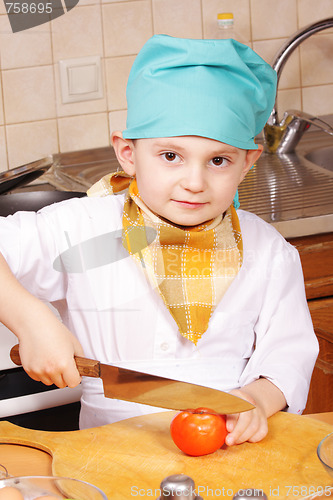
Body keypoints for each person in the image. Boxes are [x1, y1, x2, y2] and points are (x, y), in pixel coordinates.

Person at [0, 35, 318, 445]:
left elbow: (287, 356)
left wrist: (257, 399)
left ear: (247, 163)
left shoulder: (269, 252)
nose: (194, 182)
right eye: (171, 156)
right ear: (128, 154)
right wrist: (31, 320)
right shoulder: (85, 231)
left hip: (231, 453)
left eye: (218, 160)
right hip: (105, 455)